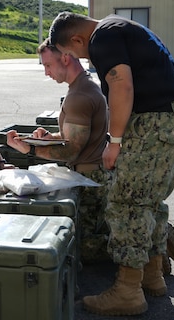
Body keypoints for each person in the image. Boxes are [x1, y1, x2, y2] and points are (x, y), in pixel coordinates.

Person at [49, 12, 174, 316]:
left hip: (154, 123)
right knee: (148, 201)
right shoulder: (120, 26)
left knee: (125, 202)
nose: (81, 57)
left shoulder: (102, 37)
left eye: (74, 53)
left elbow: (122, 87)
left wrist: (114, 142)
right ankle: (152, 277)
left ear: (77, 39)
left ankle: (127, 291)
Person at [6, 39, 111, 264]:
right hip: (90, 173)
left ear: (65, 58)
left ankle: (145, 241)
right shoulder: (82, 87)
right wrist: (48, 138)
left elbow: (71, 152)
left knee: (85, 250)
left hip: (89, 179)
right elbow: (72, 139)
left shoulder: (79, 96)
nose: (46, 72)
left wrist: (30, 149)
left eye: (48, 65)